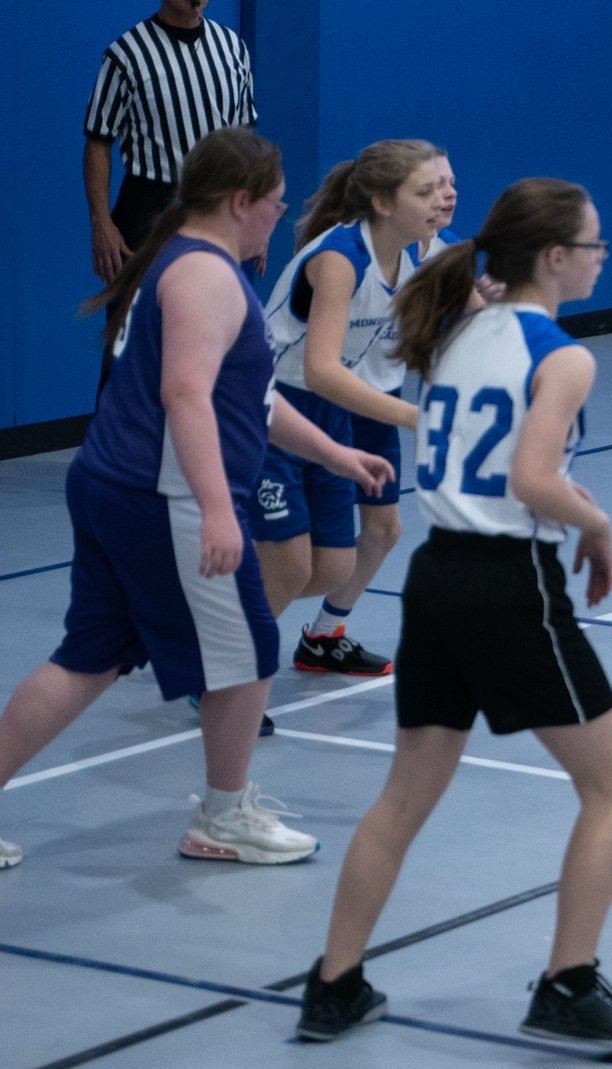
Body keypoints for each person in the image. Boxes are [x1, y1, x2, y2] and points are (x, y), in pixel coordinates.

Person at [296, 178, 612, 1054]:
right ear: (555, 257)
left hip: (435, 577)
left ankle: (333, 983)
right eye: (595, 244)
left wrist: (567, 501)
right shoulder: (562, 355)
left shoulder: (456, 335)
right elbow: (530, 480)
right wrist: (597, 522)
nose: (603, 258)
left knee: (403, 795)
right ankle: (568, 984)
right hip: (509, 583)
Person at [0, 128, 392, 871]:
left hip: (116, 483)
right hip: (163, 495)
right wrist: (216, 508)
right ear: (241, 201)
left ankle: (223, 810)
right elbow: (186, 393)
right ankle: (223, 816)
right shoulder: (206, 276)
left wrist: (335, 453)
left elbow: (253, 397)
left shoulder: (187, 261)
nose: (281, 216)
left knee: (88, 658)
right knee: (249, 650)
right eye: (276, 203)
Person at [249, 141, 445, 679]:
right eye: (426, 191)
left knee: (333, 566)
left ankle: (239, 611)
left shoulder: (421, 250)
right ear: (383, 203)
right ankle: (220, 669)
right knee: (290, 564)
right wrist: (418, 419)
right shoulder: (340, 258)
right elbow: (320, 370)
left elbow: (474, 308)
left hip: (331, 413)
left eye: (443, 187)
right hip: (273, 409)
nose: (442, 199)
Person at [85, 0, 257, 392]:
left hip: (216, 208)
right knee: (130, 346)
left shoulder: (233, 47)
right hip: (148, 209)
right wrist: (101, 223)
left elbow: (244, 136)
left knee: (213, 339)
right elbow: (98, 139)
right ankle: (116, 432)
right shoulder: (126, 53)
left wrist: (252, 213)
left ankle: (197, 429)